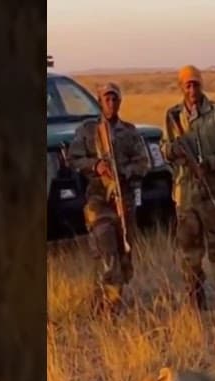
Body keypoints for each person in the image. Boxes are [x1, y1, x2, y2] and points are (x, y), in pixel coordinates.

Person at [160, 65, 215, 309]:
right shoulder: (172, 116)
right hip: (186, 195)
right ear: (181, 87)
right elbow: (164, 148)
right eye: (187, 84)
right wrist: (173, 151)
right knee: (189, 253)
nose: (192, 89)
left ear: (201, 84)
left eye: (196, 83)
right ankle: (195, 300)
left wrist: (208, 164)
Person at [65, 82, 151, 315]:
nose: (111, 103)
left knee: (123, 258)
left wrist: (123, 172)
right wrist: (96, 165)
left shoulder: (130, 132)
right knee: (106, 250)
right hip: (98, 199)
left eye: (114, 99)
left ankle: (103, 301)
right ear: (100, 102)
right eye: (106, 99)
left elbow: (144, 163)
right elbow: (73, 159)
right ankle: (109, 310)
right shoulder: (88, 131)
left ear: (119, 102)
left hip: (123, 200)